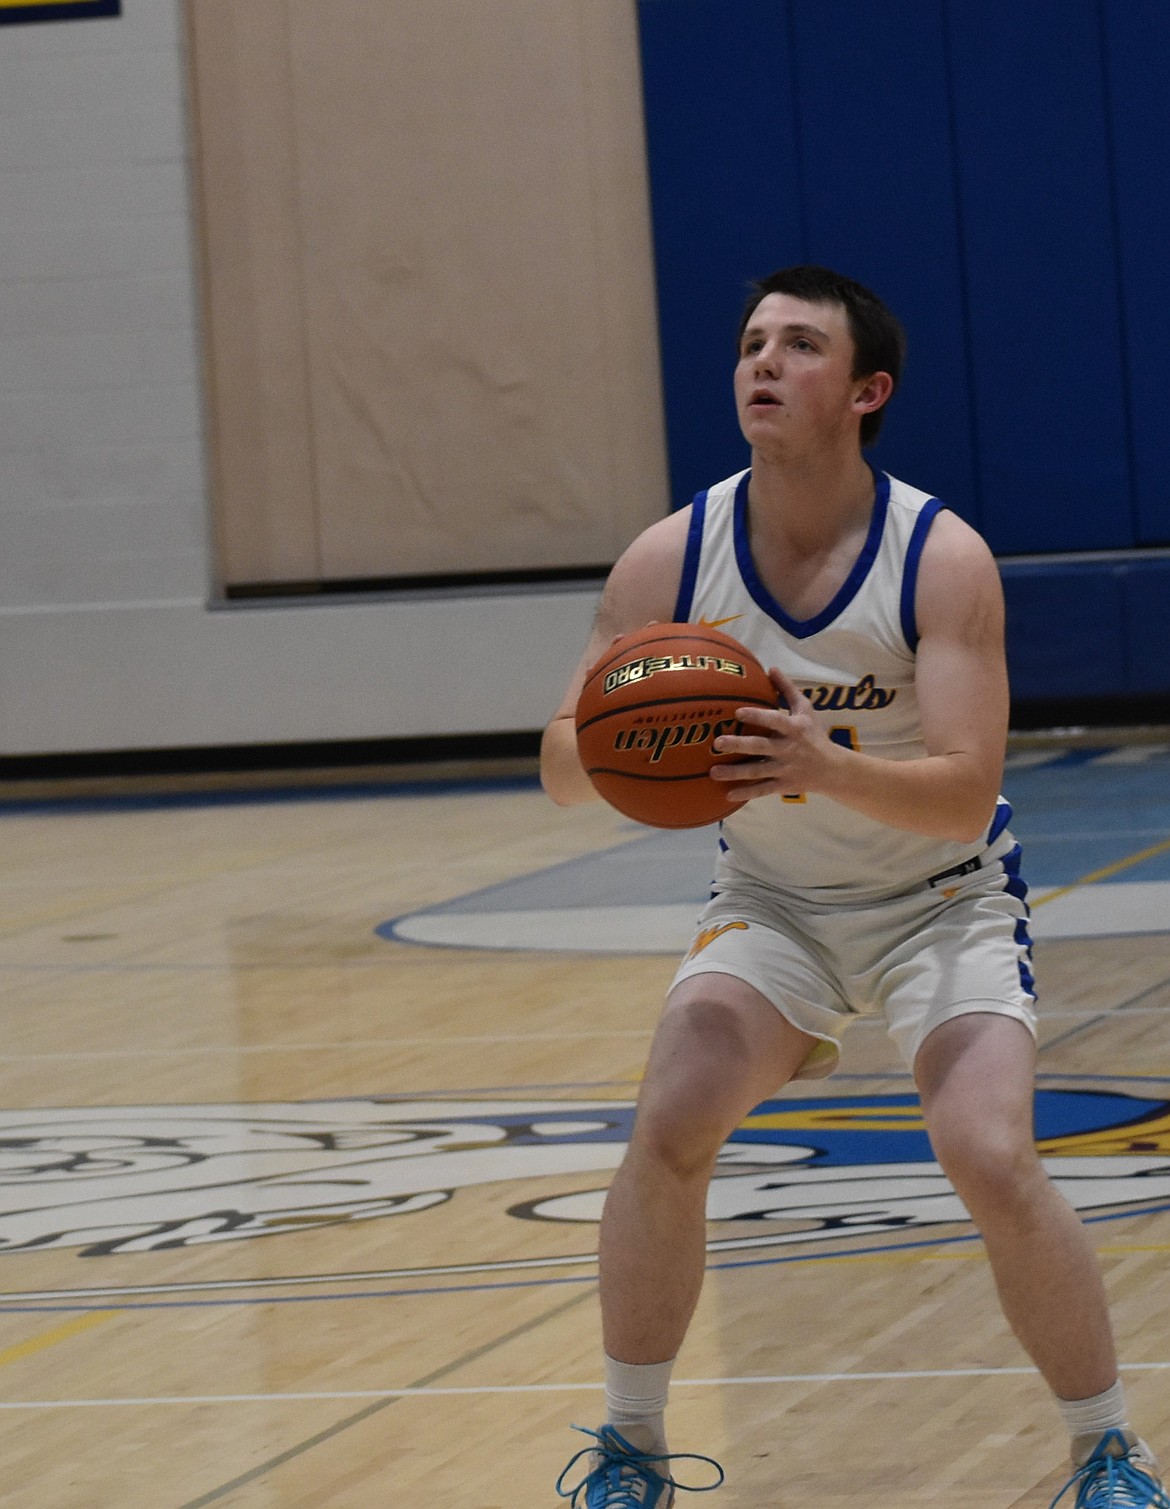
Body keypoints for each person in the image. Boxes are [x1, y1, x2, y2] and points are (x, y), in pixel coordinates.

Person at [540, 265, 1167, 1508]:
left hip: (942, 901)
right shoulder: (675, 557)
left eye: (801, 346)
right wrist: (639, 754)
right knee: (667, 1129)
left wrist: (817, 761)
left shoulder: (941, 558)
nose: (763, 363)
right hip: (773, 910)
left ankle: (1108, 1451)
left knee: (987, 1150)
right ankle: (630, 1450)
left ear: (867, 390)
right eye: (752, 343)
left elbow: (964, 788)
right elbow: (562, 762)